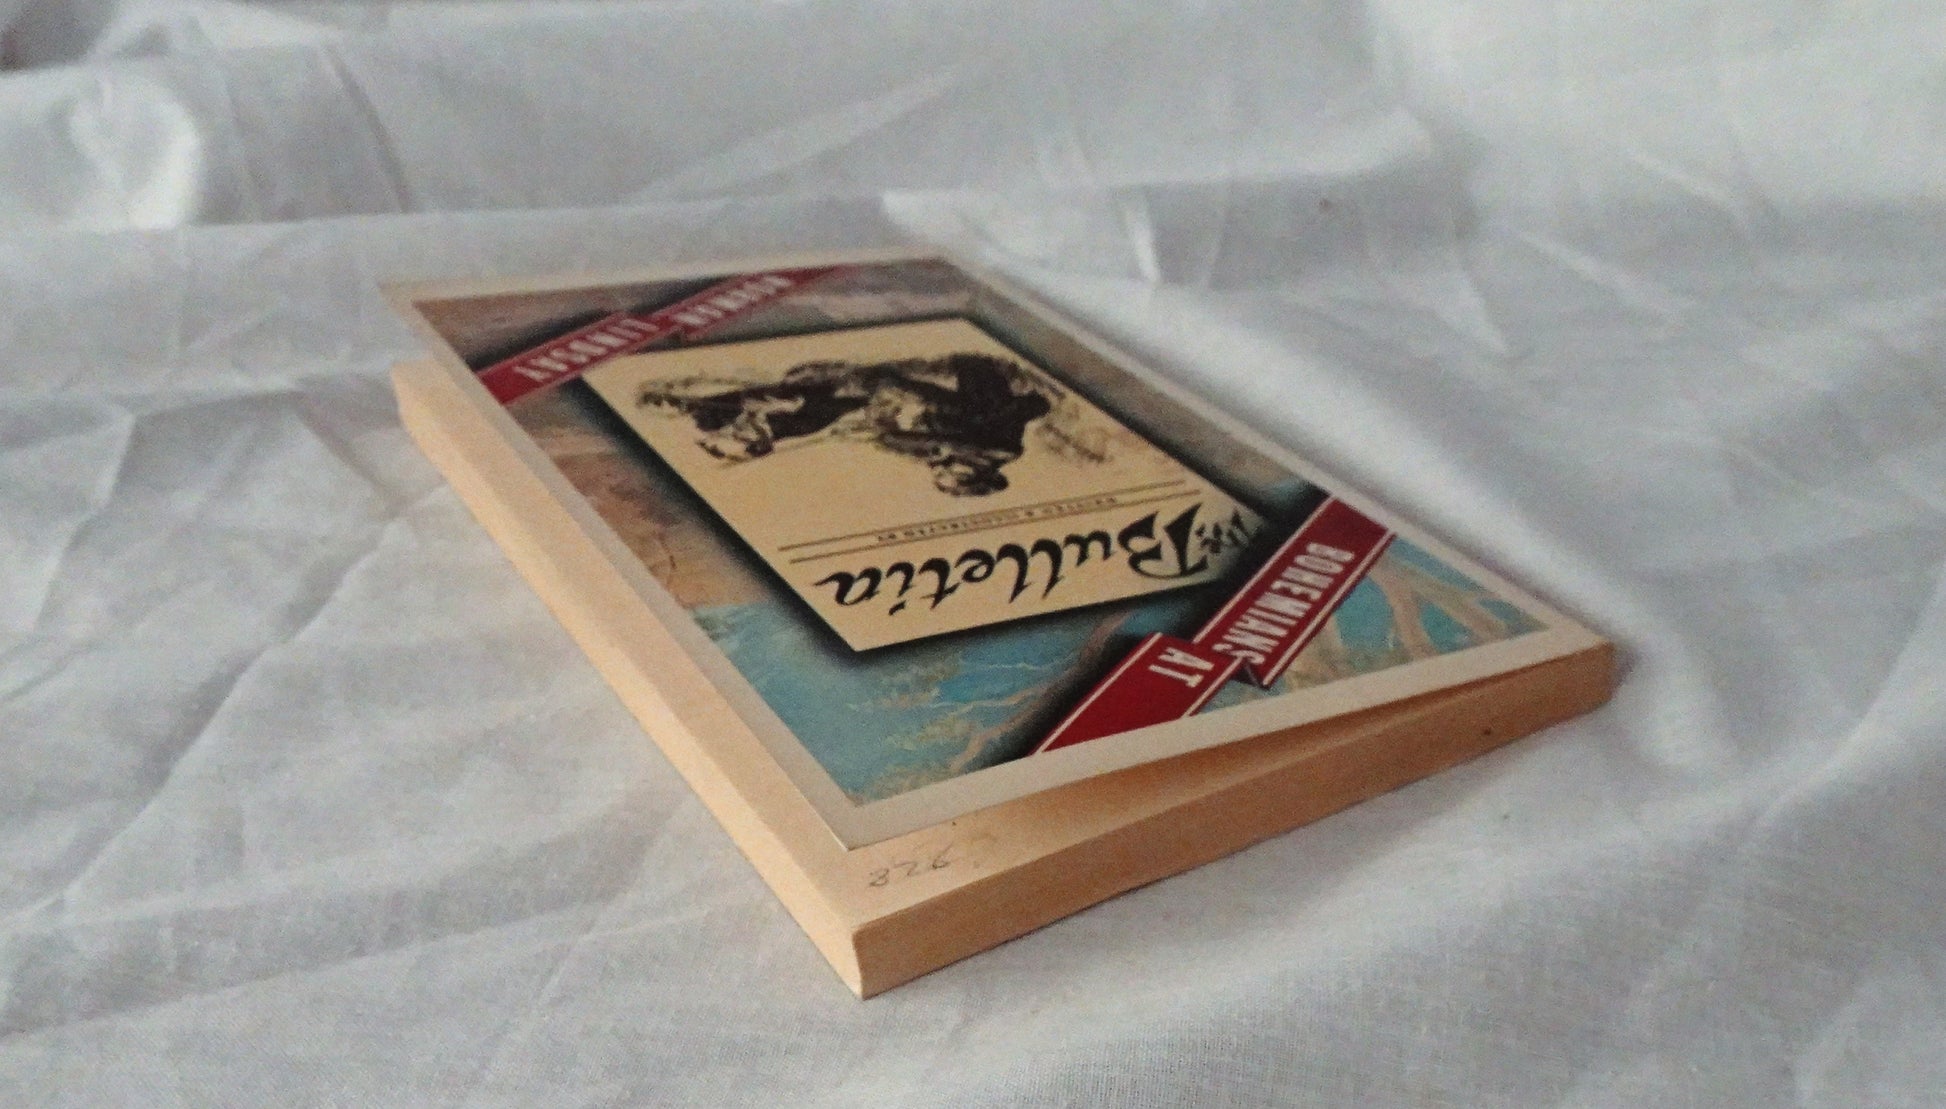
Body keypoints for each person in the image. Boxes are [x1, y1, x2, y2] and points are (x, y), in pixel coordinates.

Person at [638, 351, 1053, 496]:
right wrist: (898, 398)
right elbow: (954, 418)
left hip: (871, 401)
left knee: (823, 406)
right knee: (826, 398)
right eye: (951, 474)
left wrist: (884, 430)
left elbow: (895, 440)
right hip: (968, 386)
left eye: (940, 475)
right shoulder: (998, 448)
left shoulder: (948, 451)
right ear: (974, 474)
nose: (939, 468)